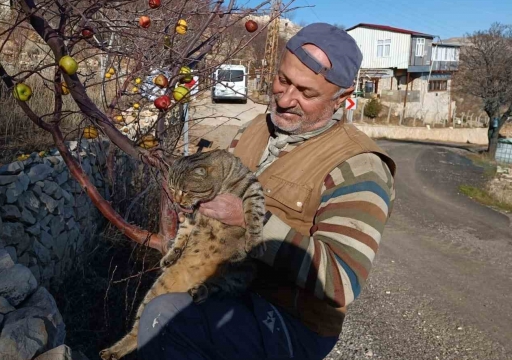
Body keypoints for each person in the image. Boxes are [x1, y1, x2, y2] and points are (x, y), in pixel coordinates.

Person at [137, 23, 397, 360]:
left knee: (170, 320)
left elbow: (340, 281)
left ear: (341, 100)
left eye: (306, 92)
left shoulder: (360, 165)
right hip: (228, 287)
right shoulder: (252, 130)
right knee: (159, 311)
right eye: (283, 81)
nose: (286, 99)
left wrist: (250, 220)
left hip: (292, 320)